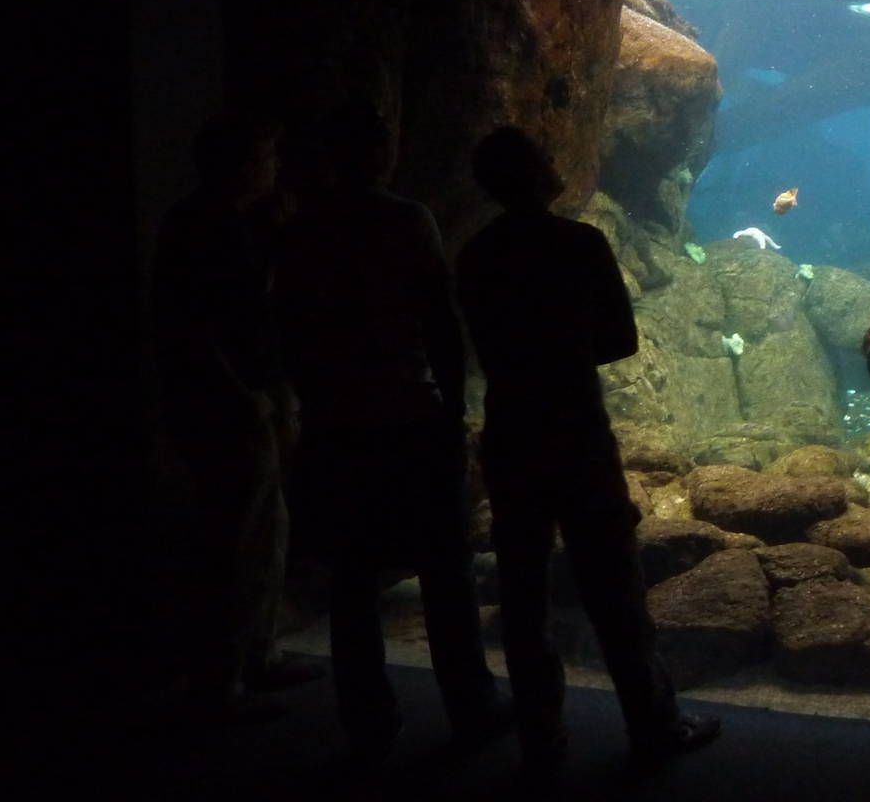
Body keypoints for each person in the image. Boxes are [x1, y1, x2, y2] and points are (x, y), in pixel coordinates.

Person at [456, 126, 721, 776]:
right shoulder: (581, 242)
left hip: (511, 429)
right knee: (611, 583)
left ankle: (542, 738)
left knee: (522, 591)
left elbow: (481, 345)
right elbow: (620, 341)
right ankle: (653, 722)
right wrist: (565, 346)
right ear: (538, 172)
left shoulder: (476, 254)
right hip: (574, 431)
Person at [276, 103, 505, 764]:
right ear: (378, 152)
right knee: (443, 568)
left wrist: (310, 400)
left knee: (351, 580)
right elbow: (439, 317)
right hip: (407, 416)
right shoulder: (407, 220)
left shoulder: (303, 228)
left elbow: (287, 324)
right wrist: (455, 406)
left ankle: (367, 722)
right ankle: (470, 703)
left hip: (335, 423)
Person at [150, 113, 322, 720]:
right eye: (268, 157)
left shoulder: (233, 223)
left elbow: (256, 305)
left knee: (264, 527)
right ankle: (222, 671)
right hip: (227, 402)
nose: (277, 167)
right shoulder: (201, 226)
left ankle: (255, 652)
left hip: (254, 395)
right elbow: (190, 325)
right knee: (235, 532)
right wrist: (242, 393)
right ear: (244, 165)